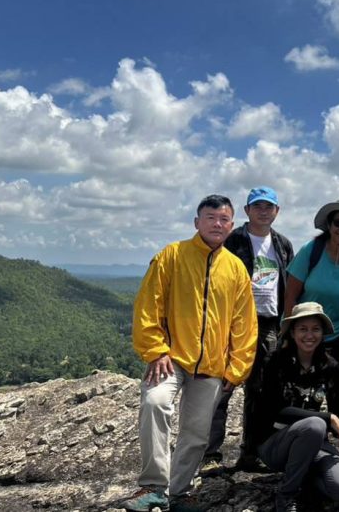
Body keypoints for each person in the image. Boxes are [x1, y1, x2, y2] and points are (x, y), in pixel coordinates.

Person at [121, 195, 257, 512]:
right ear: (197, 222)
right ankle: (153, 486)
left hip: (211, 364)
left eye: (224, 219)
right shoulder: (172, 256)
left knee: (196, 433)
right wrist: (155, 350)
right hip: (171, 357)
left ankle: (180, 492)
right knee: (155, 403)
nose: (217, 224)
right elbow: (147, 306)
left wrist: (236, 370)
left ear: (232, 225)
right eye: (210, 217)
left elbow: (244, 323)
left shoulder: (235, 269)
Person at [201, 187, 295, 475]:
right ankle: (210, 455)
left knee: (262, 391)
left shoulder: (282, 244)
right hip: (232, 321)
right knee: (221, 387)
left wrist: (286, 324)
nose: (264, 211)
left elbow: (289, 283)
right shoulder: (232, 240)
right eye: (258, 207)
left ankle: (252, 453)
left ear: (277, 211)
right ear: (247, 211)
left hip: (268, 323)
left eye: (269, 207)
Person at [250, 302, 339, 512]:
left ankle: (305, 478)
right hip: (274, 443)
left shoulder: (330, 367)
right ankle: (287, 495)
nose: (310, 335)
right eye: (303, 329)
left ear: (323, 333)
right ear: (292, 332)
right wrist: (329, 418)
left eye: (315, 329)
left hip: (315, 442)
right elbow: (274, 410)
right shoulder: (275, 362)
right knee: (315, 424)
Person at [284, 199, 339, 362]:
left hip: (338, 335)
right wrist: (288, 335)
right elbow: (290, 296)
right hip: (304, 335)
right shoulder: (310, 251)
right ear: (330, 225)